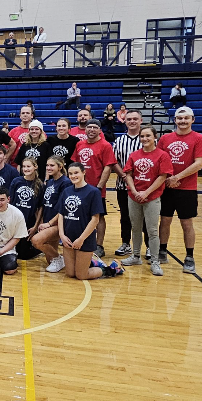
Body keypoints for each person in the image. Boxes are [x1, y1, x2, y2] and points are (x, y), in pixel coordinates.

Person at [158, 107, 202, 274]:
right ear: (175, 120)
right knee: (164, 220)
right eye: (179, 118)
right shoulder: (165, 138)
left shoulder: (199, 138)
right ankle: (162, 251)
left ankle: (189, 257)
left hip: (187, 189)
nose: (182, 121)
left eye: (186, 118)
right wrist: (167, 179)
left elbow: (199, 164)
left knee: (186, 223)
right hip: (166, 187)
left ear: (192, 120)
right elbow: (159, 160)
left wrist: (176, 178)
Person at [121, 126, 173, 276]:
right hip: (134, 197)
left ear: (155, 137)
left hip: (152, 197)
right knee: (135, 228)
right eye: (142, 136)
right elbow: (128, 174)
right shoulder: (134, 155)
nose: (144, 139)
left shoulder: (162, 155)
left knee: (152, 230)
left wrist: (147, 192)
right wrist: (135, 191)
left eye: (148, 136)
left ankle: (155, 261)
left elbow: (162, 177)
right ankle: (136, 256)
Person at [58, 163, 123, 280]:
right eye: (71, 174)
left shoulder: (93, 192)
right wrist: (61, 235)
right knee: (70, 273)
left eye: (76, 173)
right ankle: (92, 261)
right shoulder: (66, 191)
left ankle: (111, 269)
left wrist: (81, 239)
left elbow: (95, 219)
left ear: (84, 172)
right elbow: (61, 214)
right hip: (68, 237)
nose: (73, 176)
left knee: (81, 275)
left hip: (84, 238)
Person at [71, 119, 116, 258]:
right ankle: (79, 240)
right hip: (80, 188)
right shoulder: (79, 144)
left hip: (96, 189)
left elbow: (108, 167)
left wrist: (99, 187)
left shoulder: (105, 145)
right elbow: (75, 164)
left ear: (99, 130)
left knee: (99, 217)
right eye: (89, 127)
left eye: (94, 127)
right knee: (79, 214)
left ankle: (99, 245)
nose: (91, 129)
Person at [111, 109, 146, 258]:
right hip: (122, 185)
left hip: (145, 187)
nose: (132, 121)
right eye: (129, 119)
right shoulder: (119, 141)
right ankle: (126, 243)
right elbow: (113, 161)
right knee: (125, 216)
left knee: (145, 217)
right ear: (125, 121)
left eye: (135, 119)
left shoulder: (147, 139)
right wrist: (124, 176)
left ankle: (149, 247)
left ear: (140, 121)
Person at [31, 156, 72, 272]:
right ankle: (63, 259)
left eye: (52, 165)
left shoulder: (65, 183)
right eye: (47, 165)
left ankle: (60, 258)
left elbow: (63, 209)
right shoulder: (49, 182)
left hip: (58, 223)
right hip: (48, 221)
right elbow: (45, 205)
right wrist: (41, 221)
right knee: (50, 261)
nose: (48, 168)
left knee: (36, 241)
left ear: (60, 167)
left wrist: (49, 224)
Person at [9, 157, 44, 259]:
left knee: (23, 255)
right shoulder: (16, 181)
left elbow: (40, 208)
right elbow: (10, 202)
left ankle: (38, 249)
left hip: (29, 222)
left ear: (35, 167)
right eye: (24, 166)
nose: (25, 169)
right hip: (14, 221)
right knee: (14, 252)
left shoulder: (40, 185)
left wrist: (36, 227)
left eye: (28, 166)